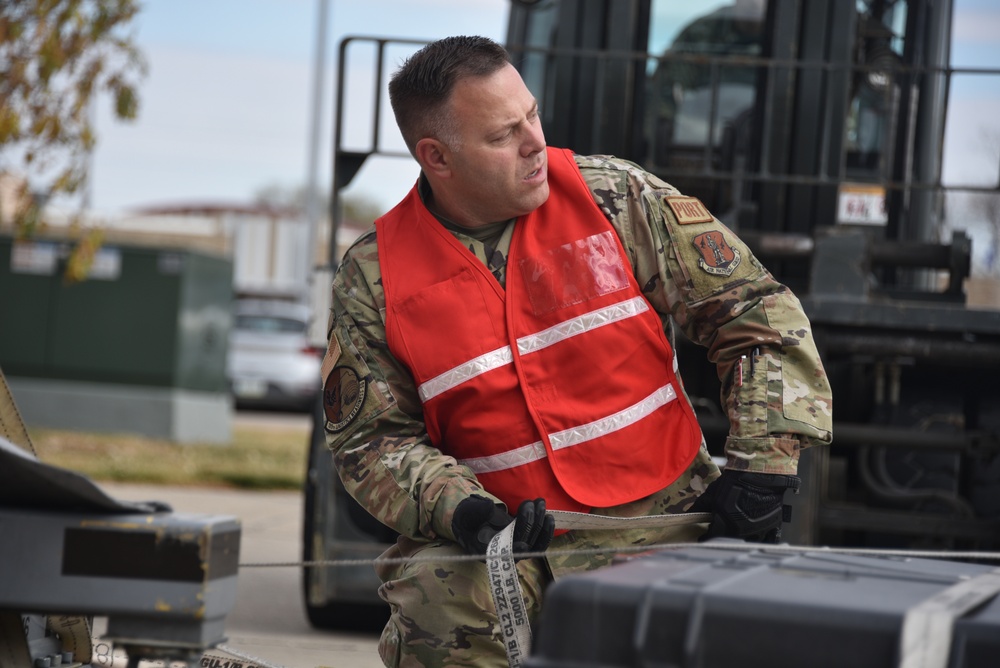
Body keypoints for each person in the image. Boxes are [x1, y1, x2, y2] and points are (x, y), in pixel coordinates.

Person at [321, 35, 832, 668]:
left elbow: (754, 312)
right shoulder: (375, 276)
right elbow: (370, 441)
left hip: (665, 517)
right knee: (437, 595)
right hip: (501, 542)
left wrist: (764, 465)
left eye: (531, 114)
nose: (535, 141)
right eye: (504, 134)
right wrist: (461, 511)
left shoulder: (612, 197)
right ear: (437, 157)